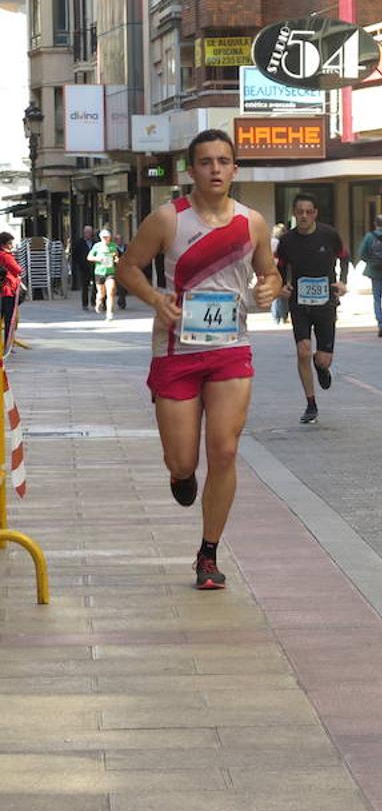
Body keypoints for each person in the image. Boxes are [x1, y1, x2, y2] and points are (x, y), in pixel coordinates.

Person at [114, 128, 282, 590]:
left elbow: (268, 274)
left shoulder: (252, 223)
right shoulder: (168, 219)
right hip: (177, 351)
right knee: (182, 461)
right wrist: (155, 298)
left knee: (225, 450)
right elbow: (126, 267)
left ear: (234, 169)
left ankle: (208, 552)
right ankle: (181, 476)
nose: (215, 169)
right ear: (191, 170)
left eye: (223, 161)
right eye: (205, 161)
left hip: (230, 348)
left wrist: (270, 287)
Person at [275, 194, 349, 425]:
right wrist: (281, 286)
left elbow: (344, 257)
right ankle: (311, 403)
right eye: (300, 212)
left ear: (315, 213)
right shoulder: (287, 241)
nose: (304, 216)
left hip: (326, 303)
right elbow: (279, 266)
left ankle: (321, 366)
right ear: (294, 214)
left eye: (308, 212)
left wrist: (343, 281)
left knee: (322, 358)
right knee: (303, 350)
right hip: (300, 303)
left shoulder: (329, 235)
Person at [88, 229, 119, 321]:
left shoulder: (113, 246)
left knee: (111, 291)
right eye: (104, 237)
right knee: (102, 293)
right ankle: (99, 301)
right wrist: (98, 259)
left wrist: (116, 259)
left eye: (107, 237)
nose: (106, 239)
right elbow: (89, 257)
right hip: (99, 272)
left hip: (110, 272)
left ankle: (109, 313)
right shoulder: (97, 246)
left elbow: (116, 255)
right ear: (101, 238)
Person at [0, 233, 22, 345]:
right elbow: (18, 269)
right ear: (3, 244)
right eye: (10, 243)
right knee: (9, 319)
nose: (11, 246)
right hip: (7, 290)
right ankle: (8, 343)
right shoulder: (6, 256)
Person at [71, 225, 95, 309]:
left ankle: (93, 302)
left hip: (94, 267)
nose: (88, 234)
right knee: (85, 286)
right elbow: (74, 255)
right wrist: (79, 263)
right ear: (84, 233)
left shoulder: (95, 243)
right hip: (83, 268)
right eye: (86, 232)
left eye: (90, 232)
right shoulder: (79, 242)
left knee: (95, 285)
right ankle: (85, 304)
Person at [269, 223, 288, 324]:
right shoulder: (280, 243)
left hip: (271, 269)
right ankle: (282, 315)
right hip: (280, 268)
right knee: (282, 292)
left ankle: (276, 315)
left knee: (275, 292)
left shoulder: (270, 242)